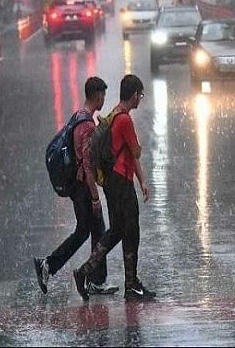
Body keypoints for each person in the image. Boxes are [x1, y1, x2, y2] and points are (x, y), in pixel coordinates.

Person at [73, 74, 155, 301]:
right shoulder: (125, 120)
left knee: (117, 231)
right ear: (134, 95)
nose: (141, 99)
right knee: (132, 232)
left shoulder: (115, 116)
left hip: (112, 182)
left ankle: (84, 272)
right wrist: (138, 153)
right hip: (121, 183)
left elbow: (129, 154)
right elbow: (135, 151)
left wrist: (142, 181)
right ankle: (131, 284)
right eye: (140, 94)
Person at [34, 77, 118, 296]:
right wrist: (95, 198)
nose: (104, 99)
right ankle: (95, 280)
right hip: (82, 187)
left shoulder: (78, 117)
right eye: (103, 95)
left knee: (84, 231)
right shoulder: (87, 126)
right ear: (97, 95)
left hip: (76, 185)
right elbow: (88, 166)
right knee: (97, 229)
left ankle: (50, 266)